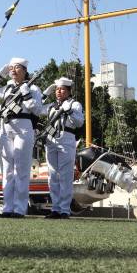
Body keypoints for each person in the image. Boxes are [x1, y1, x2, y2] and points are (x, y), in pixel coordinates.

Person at [0, 58, 43, 218]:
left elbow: (37, 109)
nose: (13, 70)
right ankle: (7, 207)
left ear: (24, 70)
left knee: (21, 169)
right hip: (5, 127)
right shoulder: (7, 87)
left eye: (17, 68)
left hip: (23, 127)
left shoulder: (33, 88)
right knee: (7, 171)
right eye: (11, 68)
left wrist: (25, 93)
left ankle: (19, 208)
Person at [41, 78, 84, 219]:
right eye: (57, 89)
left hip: (66, 138)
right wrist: (44, 94)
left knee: (65, 176)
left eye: (62, 89)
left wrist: (69, 111)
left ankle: (65, 210)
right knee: (53, 175)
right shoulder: (52, 106)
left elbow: (79, 122)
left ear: (69, 91)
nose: (59, 92)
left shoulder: (74, 104)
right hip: (51, 139)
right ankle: (55, 208)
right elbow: (36, 108)